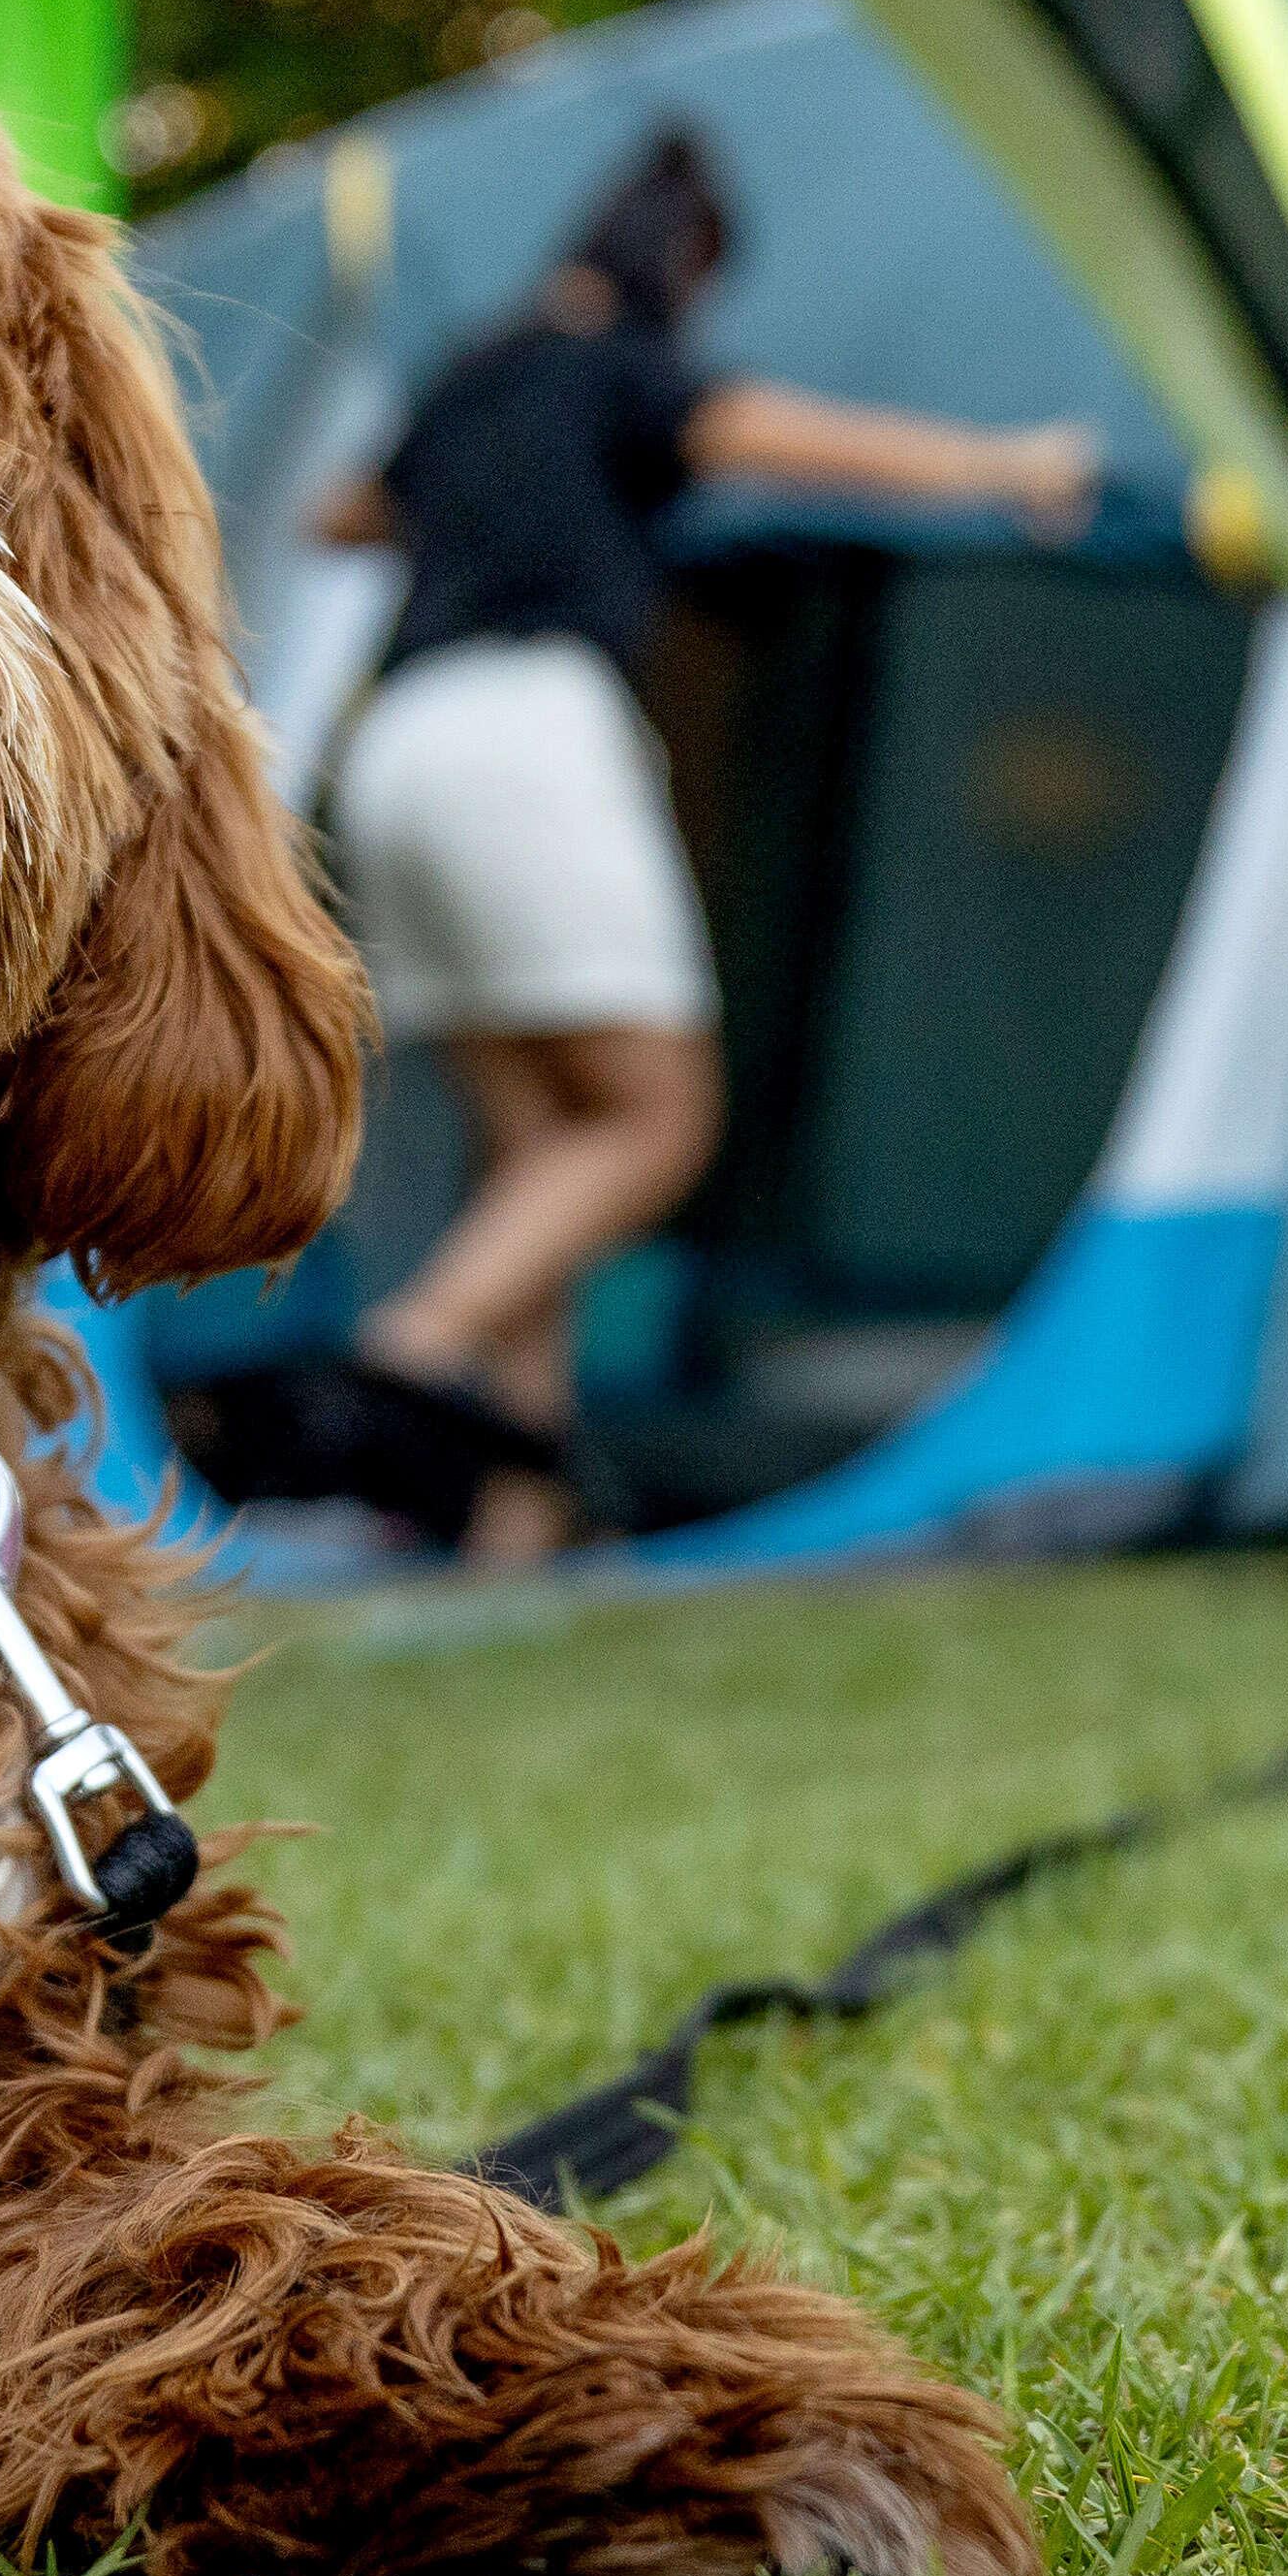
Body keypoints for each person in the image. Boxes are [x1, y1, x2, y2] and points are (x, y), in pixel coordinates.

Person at [320, 133, 1103, 1565]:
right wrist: (1009, 462)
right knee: (655, 1121)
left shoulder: (470, 377)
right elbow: (806, 443)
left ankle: (517, 1513)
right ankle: (415, 1346)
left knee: (540, 1154)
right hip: (529, 731)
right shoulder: (624, 365)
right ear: (680, 267)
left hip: (397, 749)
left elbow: (341, 516)